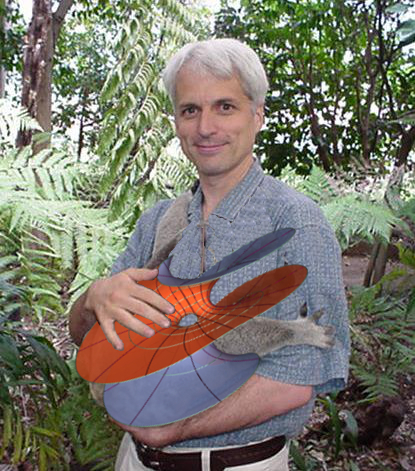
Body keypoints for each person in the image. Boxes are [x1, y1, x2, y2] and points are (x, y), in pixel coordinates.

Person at [69, 38, 349, 471]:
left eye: (225, 107)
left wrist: (173, 428)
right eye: (190, 110)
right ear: (177, 122)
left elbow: (302, 373)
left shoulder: (295, 222)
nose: (205, 127)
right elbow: (87, 337)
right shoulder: (158, 221)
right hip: (136, 460)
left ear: (257, 115)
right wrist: (93, 299)